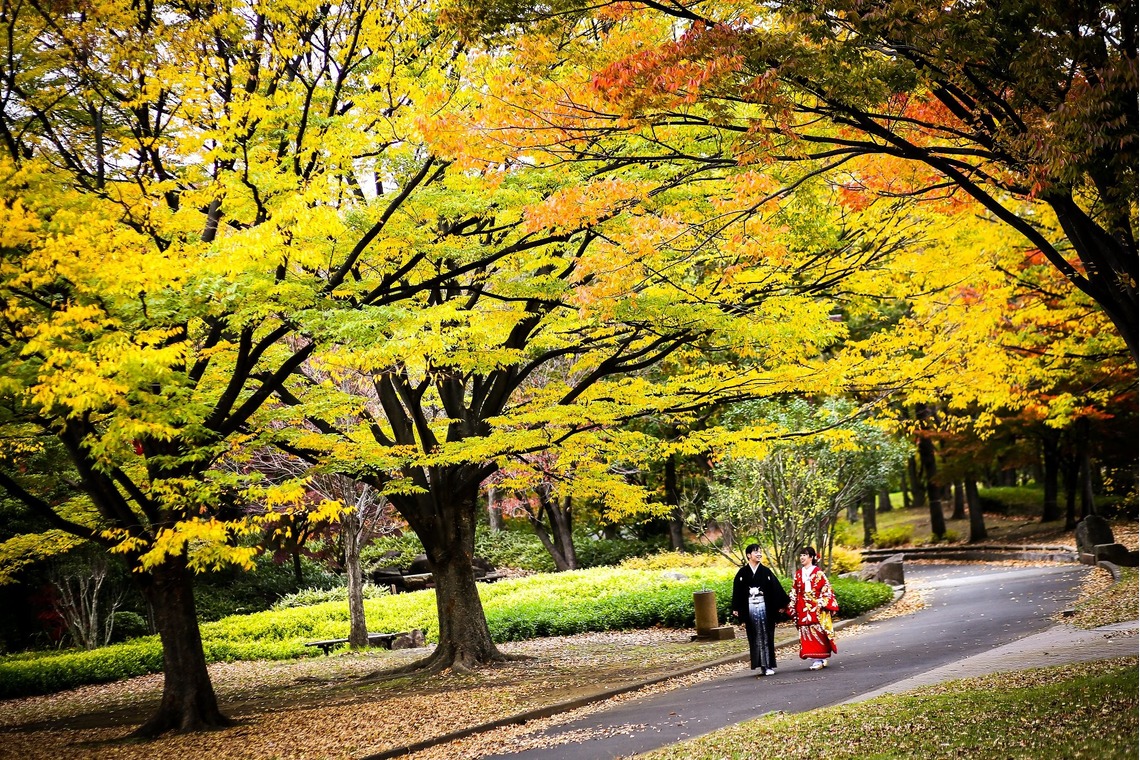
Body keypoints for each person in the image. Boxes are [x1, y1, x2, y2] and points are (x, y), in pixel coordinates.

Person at [730, 543, 790, 677]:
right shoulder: (742, 574)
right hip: (750, 608)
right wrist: (736, 607)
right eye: (756, 552)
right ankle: (761, 665)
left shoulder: (766, 572)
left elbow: (775, 588)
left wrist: (781, 604)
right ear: (748, 555)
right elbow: (737, 592)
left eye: (760, 551)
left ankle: (768, 665)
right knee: (754, 636)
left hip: (765, 608)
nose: (759, 554)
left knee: (767, 635)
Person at [787, 546, 838, 670]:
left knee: (818, 630)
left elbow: (826, 588)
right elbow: (795, 590)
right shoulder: (798, 574)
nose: (802, 557)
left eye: (805, 555)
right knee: (806, 630)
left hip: (816, 606)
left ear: (811, 557)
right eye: (801, 555)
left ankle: (820, 658)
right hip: (802, 607)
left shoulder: (818, 573)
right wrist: (791, 603)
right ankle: (817, 658)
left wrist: (821, 602)